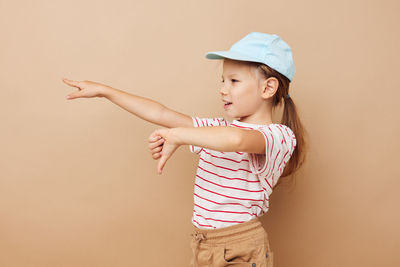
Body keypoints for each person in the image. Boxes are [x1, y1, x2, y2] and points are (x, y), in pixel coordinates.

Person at [62, 32, 307, 267]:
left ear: (268, 88)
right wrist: (106, 91)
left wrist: (178, 136)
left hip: (241, 246)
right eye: (223, 80)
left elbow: (238, 140)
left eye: (234, 81)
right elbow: (160, 113)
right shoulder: (215, 130)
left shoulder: (279, 136)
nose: (223, 89)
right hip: (203, 243)